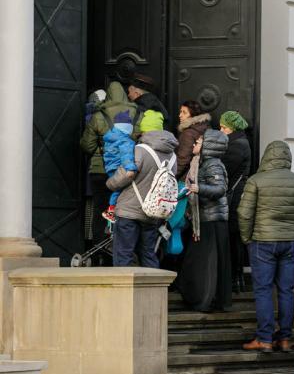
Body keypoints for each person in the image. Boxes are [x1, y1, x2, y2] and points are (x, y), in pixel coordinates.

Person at [238, 141, 294, 353]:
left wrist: (247, 238)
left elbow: (244, 213)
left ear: (267, 156)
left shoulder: (256, 181)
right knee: (286, 291)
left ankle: (264, 338)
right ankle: (285, 339)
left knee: (263, 290)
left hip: (262, 241)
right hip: (289, 242)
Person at [105, 123, 177, 267]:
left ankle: (122, 288)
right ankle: (153, 288)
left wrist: (110, 184)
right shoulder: (173, 156)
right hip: (152, 211)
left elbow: (126, 174)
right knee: (148, 253)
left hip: (129, 210)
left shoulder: (140, 150)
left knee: (123, 253)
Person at [80, 82, 140, 251]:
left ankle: (99, 251)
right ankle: (123, 252)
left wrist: (103, 149)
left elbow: (87, 145)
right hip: (127, 170)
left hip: (100, 170)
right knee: (126, 212)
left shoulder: (98, 115)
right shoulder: (137, 113)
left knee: (100, 211)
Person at [179, 129, 230, 312]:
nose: (194, 145)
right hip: (207, 218)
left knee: (207, 264)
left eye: (198, 142)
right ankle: (205, 299)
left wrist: (198, 188)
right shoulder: (204, 163)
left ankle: (205, 300)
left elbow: (220, 189)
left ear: (208, 146)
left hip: (212, 220)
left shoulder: (212, 164)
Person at [219, 111, 253, 287]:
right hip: (237, 196)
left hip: (234, 199)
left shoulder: (236, 145)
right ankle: (236, 276)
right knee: (235, 238)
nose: (221, 130)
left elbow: (226, 171)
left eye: (223, 127)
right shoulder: (241, 141)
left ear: (231, 127)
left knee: (233, 238)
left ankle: (235, 276)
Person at [174, 101, 210, 177]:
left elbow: (183, 159)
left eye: (184, 112)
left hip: (186, 177)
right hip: (200, 175)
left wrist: (172, 176)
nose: (180, 115)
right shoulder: (204, 127)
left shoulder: (188, 133)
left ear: (193, 115)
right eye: (180, 112)